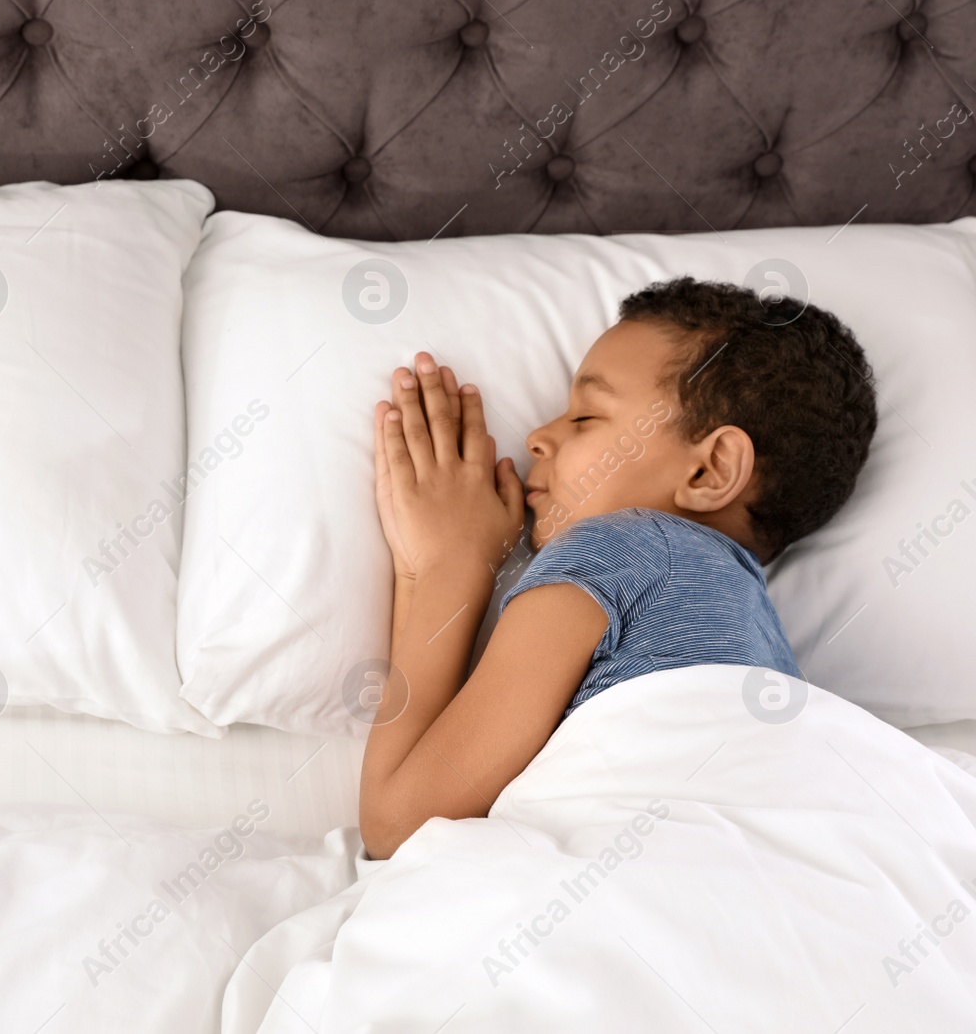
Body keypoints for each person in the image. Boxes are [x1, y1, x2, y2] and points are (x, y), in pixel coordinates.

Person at [358, 277, 878, 860]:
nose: (536, 437)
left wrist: (450, 568)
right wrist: (418, 571)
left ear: (709, 472)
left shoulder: (618, 548)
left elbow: (399, 828)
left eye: (585, 418)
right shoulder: (766, 645)